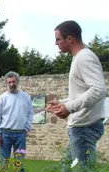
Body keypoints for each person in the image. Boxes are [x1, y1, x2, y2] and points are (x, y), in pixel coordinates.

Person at [46, 20, 107, 164]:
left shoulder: (84, 58)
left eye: (58, 39)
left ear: (69, 39)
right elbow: (82, 93)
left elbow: (99, 89)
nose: (56, 43)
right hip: (80, 127)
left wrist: (69, 107)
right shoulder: (78, 58)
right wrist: (62, 103)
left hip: (85, 127)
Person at [0, 71, 33, 172]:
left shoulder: (26, 97)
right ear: (6, 83)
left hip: (21, 134)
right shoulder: (2, 98)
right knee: (4, 161)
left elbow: (30, 114)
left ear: (17, 82)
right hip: (5, 133)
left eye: (13, 82)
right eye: (9, 82)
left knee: (19, 161)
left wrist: (26, 128)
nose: (11, 84)